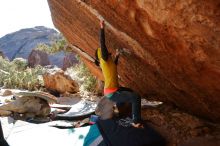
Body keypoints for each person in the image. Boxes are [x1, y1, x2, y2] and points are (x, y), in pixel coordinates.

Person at [95, 19, 142, 127]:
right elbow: (102, 43)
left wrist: (117, 55)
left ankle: (121, 112)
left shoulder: (109, 62)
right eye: (104, 51)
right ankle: (136, 121)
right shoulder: (104, 60)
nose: (106, 50)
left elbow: (114, 66)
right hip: (111, 93)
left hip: (114, 89)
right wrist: (102, 28)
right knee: (136, 97)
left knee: (129, 91)